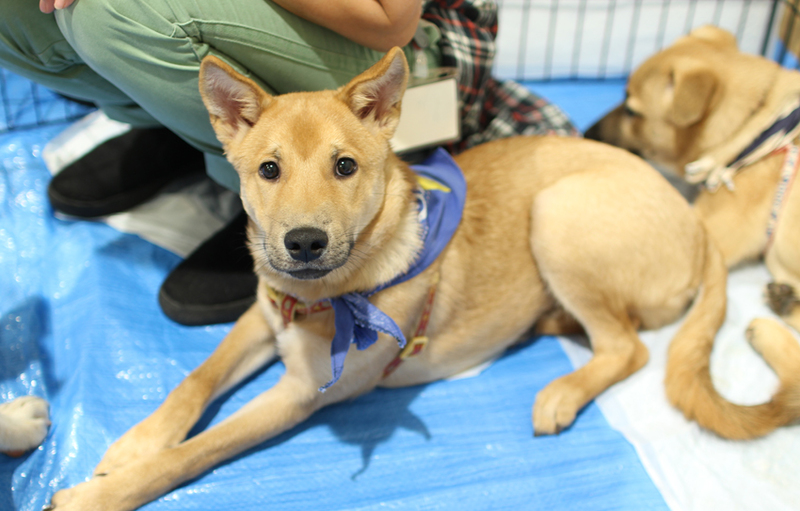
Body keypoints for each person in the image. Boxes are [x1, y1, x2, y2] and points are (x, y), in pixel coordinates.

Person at [1, 0, 577, 325]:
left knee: (111, 12)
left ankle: (250, 192)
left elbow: (391, 19)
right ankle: (184, 129)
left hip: (416, 50)